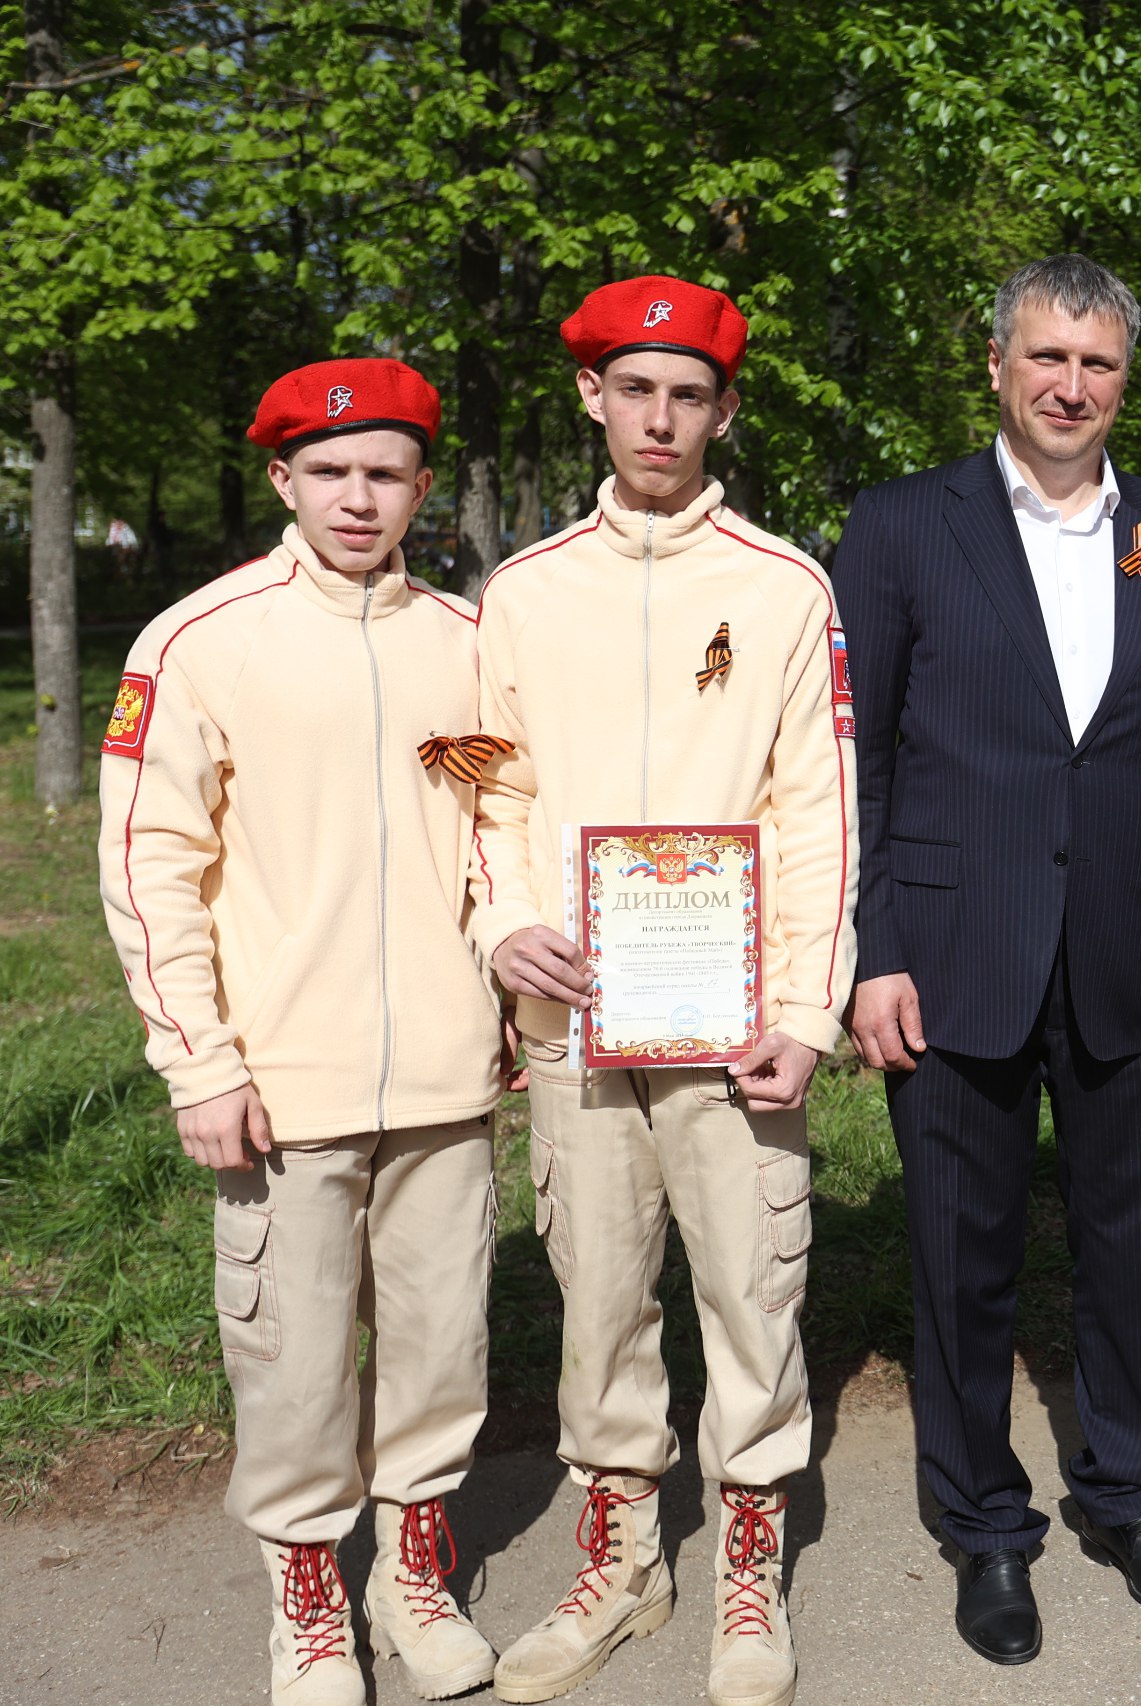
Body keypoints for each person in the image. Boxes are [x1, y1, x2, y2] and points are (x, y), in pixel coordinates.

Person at [831, 253, 1141, 1666]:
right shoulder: (898, 528)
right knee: (964, 1256)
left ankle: (1128, 1493)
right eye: (1047, 358)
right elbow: (866, 765)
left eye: (1099, 364)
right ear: (999, 366)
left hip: (1132, 946)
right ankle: (986, 1526)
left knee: (1131, 1247)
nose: (1072, 386)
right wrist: (873, 949)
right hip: (953, 950)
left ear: (1128, 380)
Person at [472, 276, 855, 1706]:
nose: (660, 416)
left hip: (729, 1013)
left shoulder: (779, 587)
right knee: (597, 1288)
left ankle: (748, 1555)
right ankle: (623, 1552)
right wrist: (506, 921)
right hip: (575, 1011)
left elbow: (817, 807)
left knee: (753, 1284)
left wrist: (808, 1008)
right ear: (593, 396)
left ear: (723, 410)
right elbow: (484, 785)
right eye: (636, 388)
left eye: (689, 393)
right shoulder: (521, 592)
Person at [99, 359, 504, 1706]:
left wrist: (506, 990)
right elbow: (151, 862)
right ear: (282, 478)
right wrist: (197, 1060)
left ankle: (414, 1560)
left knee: (442, 1343)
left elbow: (493, 830)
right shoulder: (201, 640)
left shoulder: (464, 642)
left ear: (421, 485)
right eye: (328, 471)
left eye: (385, 471)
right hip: (279, 1082)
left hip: (447, 1072)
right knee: (292, 1357)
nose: (356, 496)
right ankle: (308, 1592)